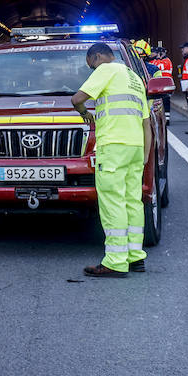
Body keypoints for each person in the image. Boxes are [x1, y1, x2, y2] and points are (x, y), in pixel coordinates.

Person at [71, 42, 153, 278]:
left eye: (91, 66)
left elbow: (77, 99)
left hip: (114, 146)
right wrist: (145, 156)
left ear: (97, 57)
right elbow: (146, 123)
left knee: (112, 202)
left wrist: (85, 113)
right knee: (132, 201)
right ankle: (135, 256)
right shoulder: (135, 78)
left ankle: (115, 261)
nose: (92, 71)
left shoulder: (106, 70)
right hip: (136, 147)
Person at [152, 46, 174, 114]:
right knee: (161, 102)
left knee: (165, 101)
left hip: (166, 84)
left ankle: (167, 117)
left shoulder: (166, 61)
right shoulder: (161, 61)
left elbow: (158, 67)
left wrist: (158, 58)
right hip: (161, 84)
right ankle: (165, 116)